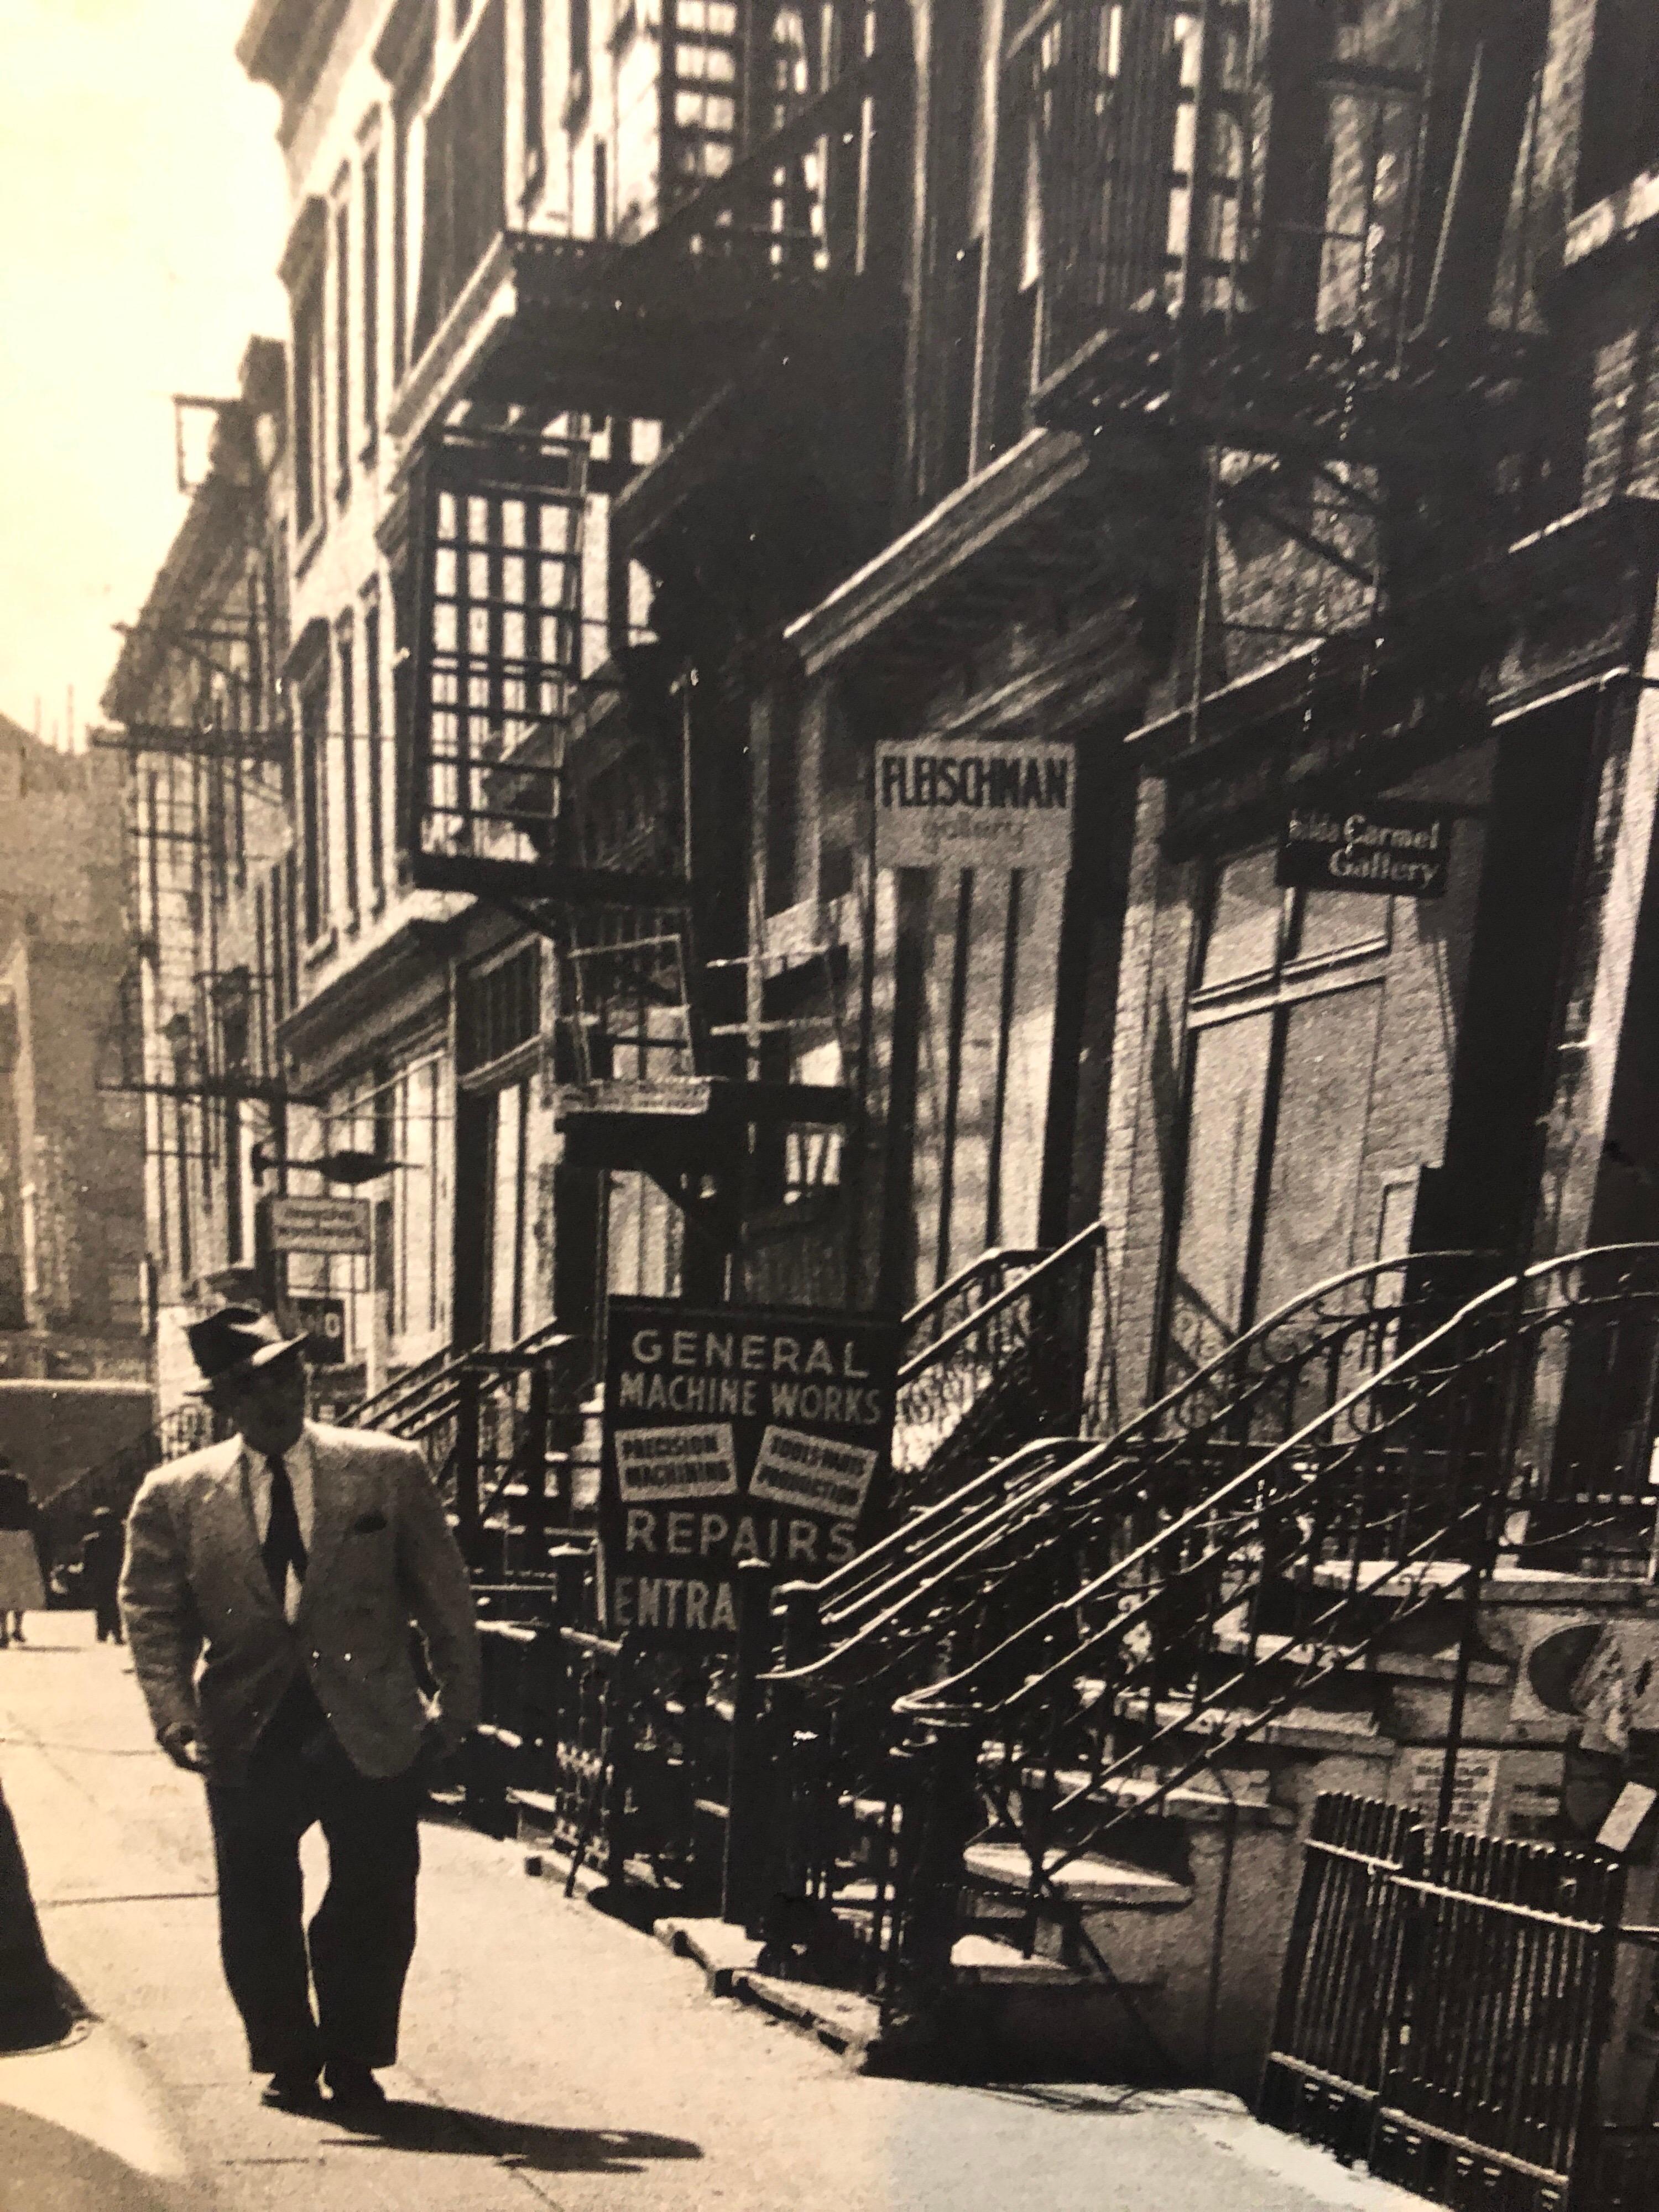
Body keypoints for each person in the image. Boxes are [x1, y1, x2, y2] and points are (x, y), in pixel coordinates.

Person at [119, 1306, 481, 2115]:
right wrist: (175, 1715)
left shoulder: (386, 1469)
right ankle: (286, 2053)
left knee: (374, 1894)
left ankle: (355, 2054)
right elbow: (154, 1613)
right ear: (224, 1404)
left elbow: (443, 1592)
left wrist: (457, 1699)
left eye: (286, 1376)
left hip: (370, 1717)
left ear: (305, 1380)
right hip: (249, 1724)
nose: (274, 1398)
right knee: (256, 1900)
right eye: (251, 1387)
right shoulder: (176, 1494)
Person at [0, 1463, 45, 1649]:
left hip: (1, 1535)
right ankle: (18, 1628)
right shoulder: (21, 1483)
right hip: (21, 1535)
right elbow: (33, 1508)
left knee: (2, 1585)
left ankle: (2, 1631)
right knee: (21, 1584)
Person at [79, 1506, 126, 1643]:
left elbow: (87, 1562)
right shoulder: (119, 1540)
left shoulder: (91, 1541)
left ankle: (103, 1632)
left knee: (102, 1606)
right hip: (114, 1576)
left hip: (100, 1578)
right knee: (114, 1605)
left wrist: (86, 1577)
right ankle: (115, 1632)